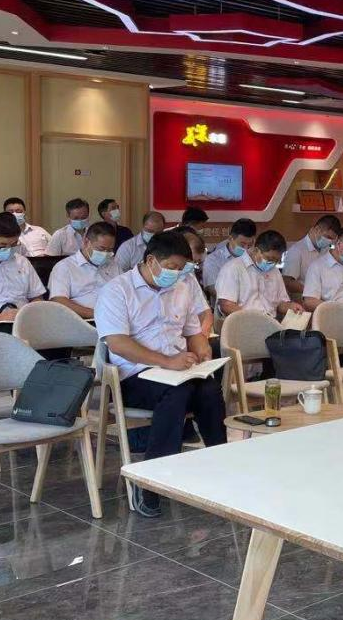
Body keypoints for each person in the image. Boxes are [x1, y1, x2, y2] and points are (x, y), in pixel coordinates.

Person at [94, 230, 226, 518]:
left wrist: (202, 351)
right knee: (177, 393)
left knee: (209, 389)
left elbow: (193, 332)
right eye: (171, 267)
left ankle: (221, 464)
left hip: (178, 370)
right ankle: (151, 481)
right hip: (134, 375)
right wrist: (166, 361)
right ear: (151, 260)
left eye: (181, 269)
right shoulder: (117, 291)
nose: (176, 274)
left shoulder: (182, 287)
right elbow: (117, 343)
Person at [216, 230, 303, 320]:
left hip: (270, 323)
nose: (272, 263)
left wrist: (290, 307)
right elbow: (226, 305)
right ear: (256, 250)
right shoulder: (232, 268)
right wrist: (252, 320)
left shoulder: (274, 271)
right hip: (243, 323)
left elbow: (280, 303)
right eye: (269, 258)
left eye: (277, 260)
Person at [48, 221, 119, 319]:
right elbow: (59, 300)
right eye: (101, 249)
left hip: (116, 317)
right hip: (82, 321)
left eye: (110, 250)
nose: (106, 253)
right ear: (86, 242)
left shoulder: (114, 265)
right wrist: (98, 315)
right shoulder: (65, 267)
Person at [282, 214, 340, 296]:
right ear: (317, 229)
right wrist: (311, 291)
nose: (329, 241)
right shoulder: (297, 251)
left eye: (332, 239)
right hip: (303, 298)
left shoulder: (327, 250)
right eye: (328, 237)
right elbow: (288, 282)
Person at [201, 218, 257, 291]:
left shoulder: (255, 257)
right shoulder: (213, 259)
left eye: (249, 245)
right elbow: (213, 289)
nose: (246, 249)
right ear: (230, 238)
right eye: (242, 244)